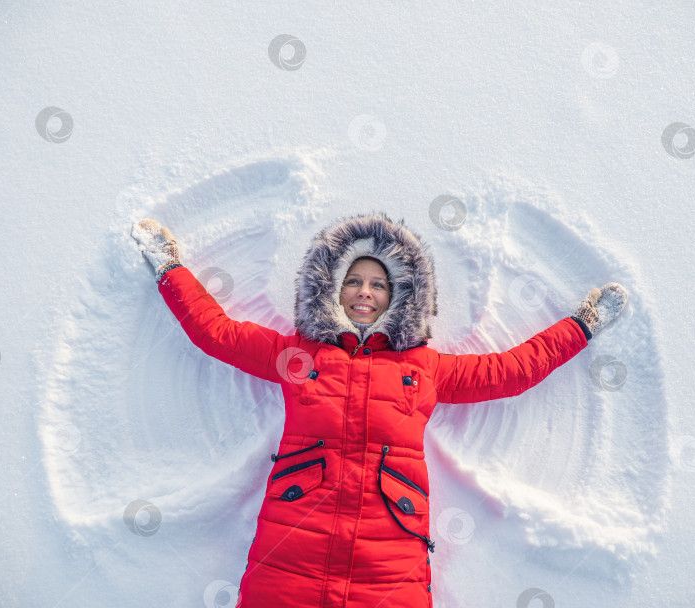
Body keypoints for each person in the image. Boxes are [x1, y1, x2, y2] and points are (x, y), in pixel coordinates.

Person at [130, 212, 627, 608]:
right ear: (331, 289)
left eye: (379, 284)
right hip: (290, 559)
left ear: (401, 296)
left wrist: (580, 327)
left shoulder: (424, 369)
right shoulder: (299, 357)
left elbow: (512, 371)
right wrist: (170, 268)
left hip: (388, 566)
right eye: (354, 281)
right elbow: (216, 332)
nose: (365, 292)